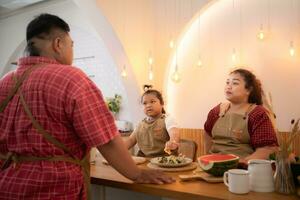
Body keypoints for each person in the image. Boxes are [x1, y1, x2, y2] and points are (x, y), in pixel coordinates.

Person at [0, 14, 174, 199]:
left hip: (8, 187)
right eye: (71, 44)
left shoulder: (5, 82)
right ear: (58, 44)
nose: (72, 51)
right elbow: (106, 139)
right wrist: (137, 174)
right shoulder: (71, 78)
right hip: (56, 190)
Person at [204, 68, 278, 164]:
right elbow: (207, 134)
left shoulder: (257, 113)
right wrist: (209, 160)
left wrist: (243, 162)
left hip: (242, 171)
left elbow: (267, 149)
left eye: (235, 83)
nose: (228, 86)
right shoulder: (216, 111)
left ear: (248, 90)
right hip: (213, 167)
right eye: (227, 82)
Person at [124, 89, 180, 157]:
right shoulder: (140, 124)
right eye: (145, 103)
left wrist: (173, 142)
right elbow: (130, 140)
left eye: (152, 101)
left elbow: (174, 133)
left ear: (162, 103)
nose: (148, 105)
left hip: (164, 161)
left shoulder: (168, 119)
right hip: (144, 160)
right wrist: (118, 151)